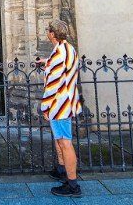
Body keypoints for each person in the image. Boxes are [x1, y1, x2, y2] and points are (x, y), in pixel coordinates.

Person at [39, 19, 82, 198]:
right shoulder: (68, 49)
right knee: (60, 140)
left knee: (65, 142)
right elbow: (62, 67)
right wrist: (47, 62)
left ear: (52, 34)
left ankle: (72, 185)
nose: (47, 33)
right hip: (67, 101)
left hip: (59, 104)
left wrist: (45, 107)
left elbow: (53, 84)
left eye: (48, 30)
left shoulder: (59, 53)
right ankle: (62, 170)